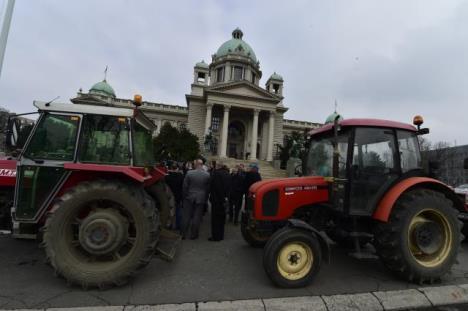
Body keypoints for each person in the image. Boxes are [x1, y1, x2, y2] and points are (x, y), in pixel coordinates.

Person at [180, 159, 210, 240]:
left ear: (195, 164)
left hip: (189, 196)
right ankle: (194, 235)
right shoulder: (207, 175)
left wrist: (185, 196)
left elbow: (185, 186)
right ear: (201, 164)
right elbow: (207, 188)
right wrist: (206, 197)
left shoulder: (189, 173)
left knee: (186, 216)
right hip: (201, 197)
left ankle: (183, 234)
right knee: (197, 217)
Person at [209, 162, 231, 241]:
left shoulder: (216, 174)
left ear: (218, 166)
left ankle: (216, 236)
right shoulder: (228, 174)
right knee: (222, 220)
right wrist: (226, 198)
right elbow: (229, 188)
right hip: (224, 200)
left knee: (215, 220)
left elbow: (216, 187)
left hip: (217, 200)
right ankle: (221, 236)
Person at [165, 163, 184, 230]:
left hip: (169, 197)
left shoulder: (167, 177)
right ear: (177, 168)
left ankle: (170, 225)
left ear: (170, 168)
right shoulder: (181, 176)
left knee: (170, 211)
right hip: (178, 196)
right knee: (178, 211)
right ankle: (178, 225)